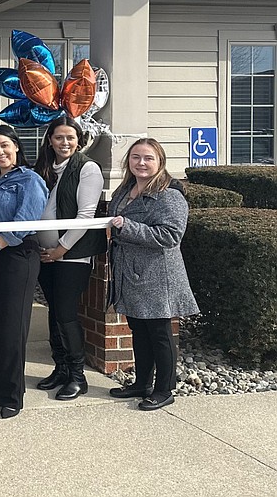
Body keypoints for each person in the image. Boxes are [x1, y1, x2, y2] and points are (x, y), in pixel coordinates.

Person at [107, 138, 197, 411]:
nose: (141, 163)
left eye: (148, 158)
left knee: (159, 333)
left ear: (160, 161)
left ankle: (164, 389)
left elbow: (171, 236)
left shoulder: (169, 194)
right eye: (136, 157)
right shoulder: (125, 189)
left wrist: (128, 227)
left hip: (157, 275)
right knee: (138, 330)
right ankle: (141, 383)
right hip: (130, 272)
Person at [0, 125, 49, 420]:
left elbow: (25, 220)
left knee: (11, 326)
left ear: (16, 146)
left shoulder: (29, 179)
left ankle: (13, 395)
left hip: (15, 253)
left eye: (4, 146)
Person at [33, 117, 106, 401]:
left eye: (70, 138)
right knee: (54, 312)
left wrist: (61, 249)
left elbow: (85, 215)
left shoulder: (87, 168)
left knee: (65, 313)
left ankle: (78, 376)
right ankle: (61, 368)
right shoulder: (44, 168)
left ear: (79, 140)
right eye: (59, 137)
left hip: (72, 255)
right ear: (49, 140)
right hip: (45, 255)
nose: (65, 143)